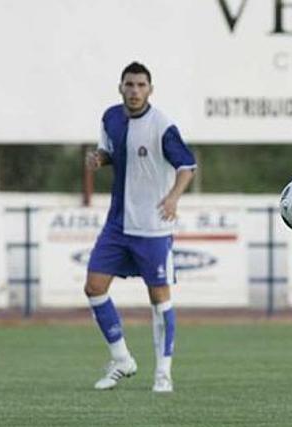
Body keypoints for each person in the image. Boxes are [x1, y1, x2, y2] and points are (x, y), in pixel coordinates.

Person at [84, 62, 196, 393]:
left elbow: (187, 166)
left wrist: (174, 197)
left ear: (150, 89)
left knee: (159, 299)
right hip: (118, 224)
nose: (134, 91)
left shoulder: (161, 125)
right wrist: (99, 159)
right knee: (94, 287)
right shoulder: (110, 118)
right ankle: (121, 359)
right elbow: (110, 151)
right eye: (129, 85)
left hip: (153, 227)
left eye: (141, 85)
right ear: (120, 88)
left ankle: (163, 372)